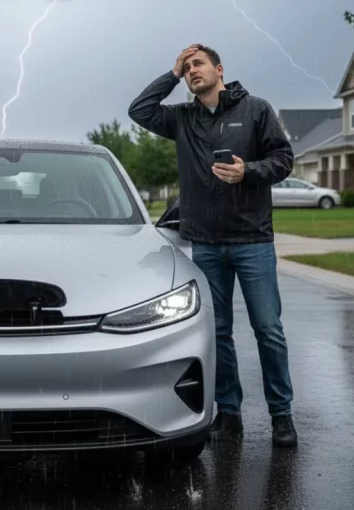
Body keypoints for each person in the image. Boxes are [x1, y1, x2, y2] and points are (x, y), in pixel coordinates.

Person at [127, 44, 297, 447]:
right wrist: (169, 74)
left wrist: (248, 171)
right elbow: (139, 110)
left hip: (252, 240)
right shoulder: (182, 118)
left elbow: (284, 158)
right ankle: (229, 414)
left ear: (219, 69)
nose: (191, 71)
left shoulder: (255, 109)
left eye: (197, 63)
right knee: (218, 332)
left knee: (268, 329)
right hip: (205, 244)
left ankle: (282, 416)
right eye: (186, 68)